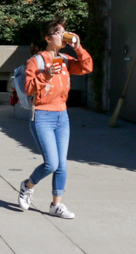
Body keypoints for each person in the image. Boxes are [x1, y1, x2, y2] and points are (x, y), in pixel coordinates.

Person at [16, 19, 93, 219]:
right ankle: (28, 185)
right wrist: (46, 74)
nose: (64, 35)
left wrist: (79, 47)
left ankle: (56, 205)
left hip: (62, 115)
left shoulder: (66, 59)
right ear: (48, 38)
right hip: (42, 115)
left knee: (62, 164)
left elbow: (86, 68)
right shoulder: (37, 60)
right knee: (51, 163)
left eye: (65, 31)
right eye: (59, 32)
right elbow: (28, 88)